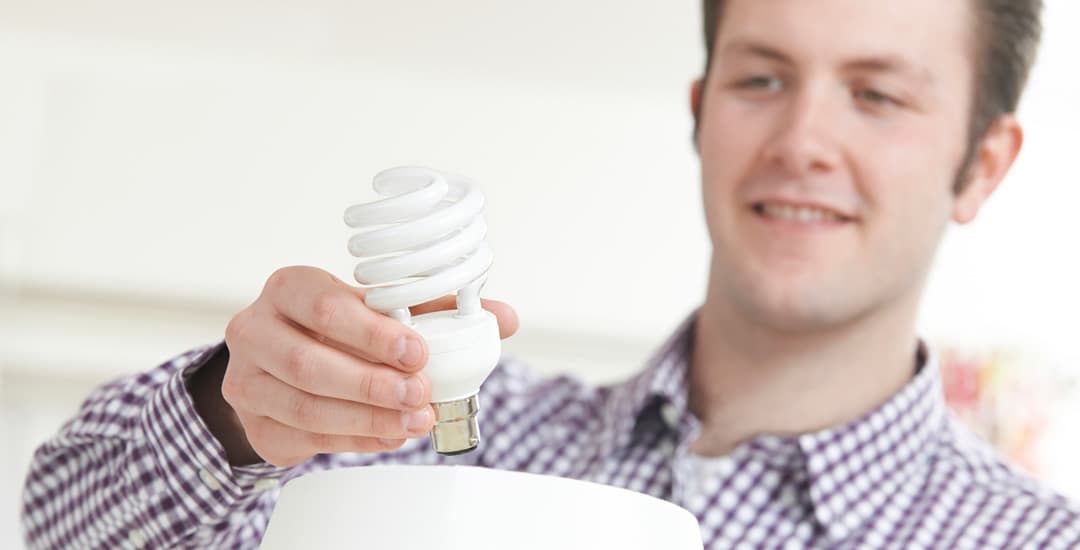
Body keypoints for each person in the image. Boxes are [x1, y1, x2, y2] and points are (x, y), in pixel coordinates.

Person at [21, 0, 1080, 548]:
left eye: (878, 95)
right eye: (762, 76)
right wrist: (237, 416)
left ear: (981, 164)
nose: (803, 139)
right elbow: (64, 520)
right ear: (701, 112)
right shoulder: (429, 436)